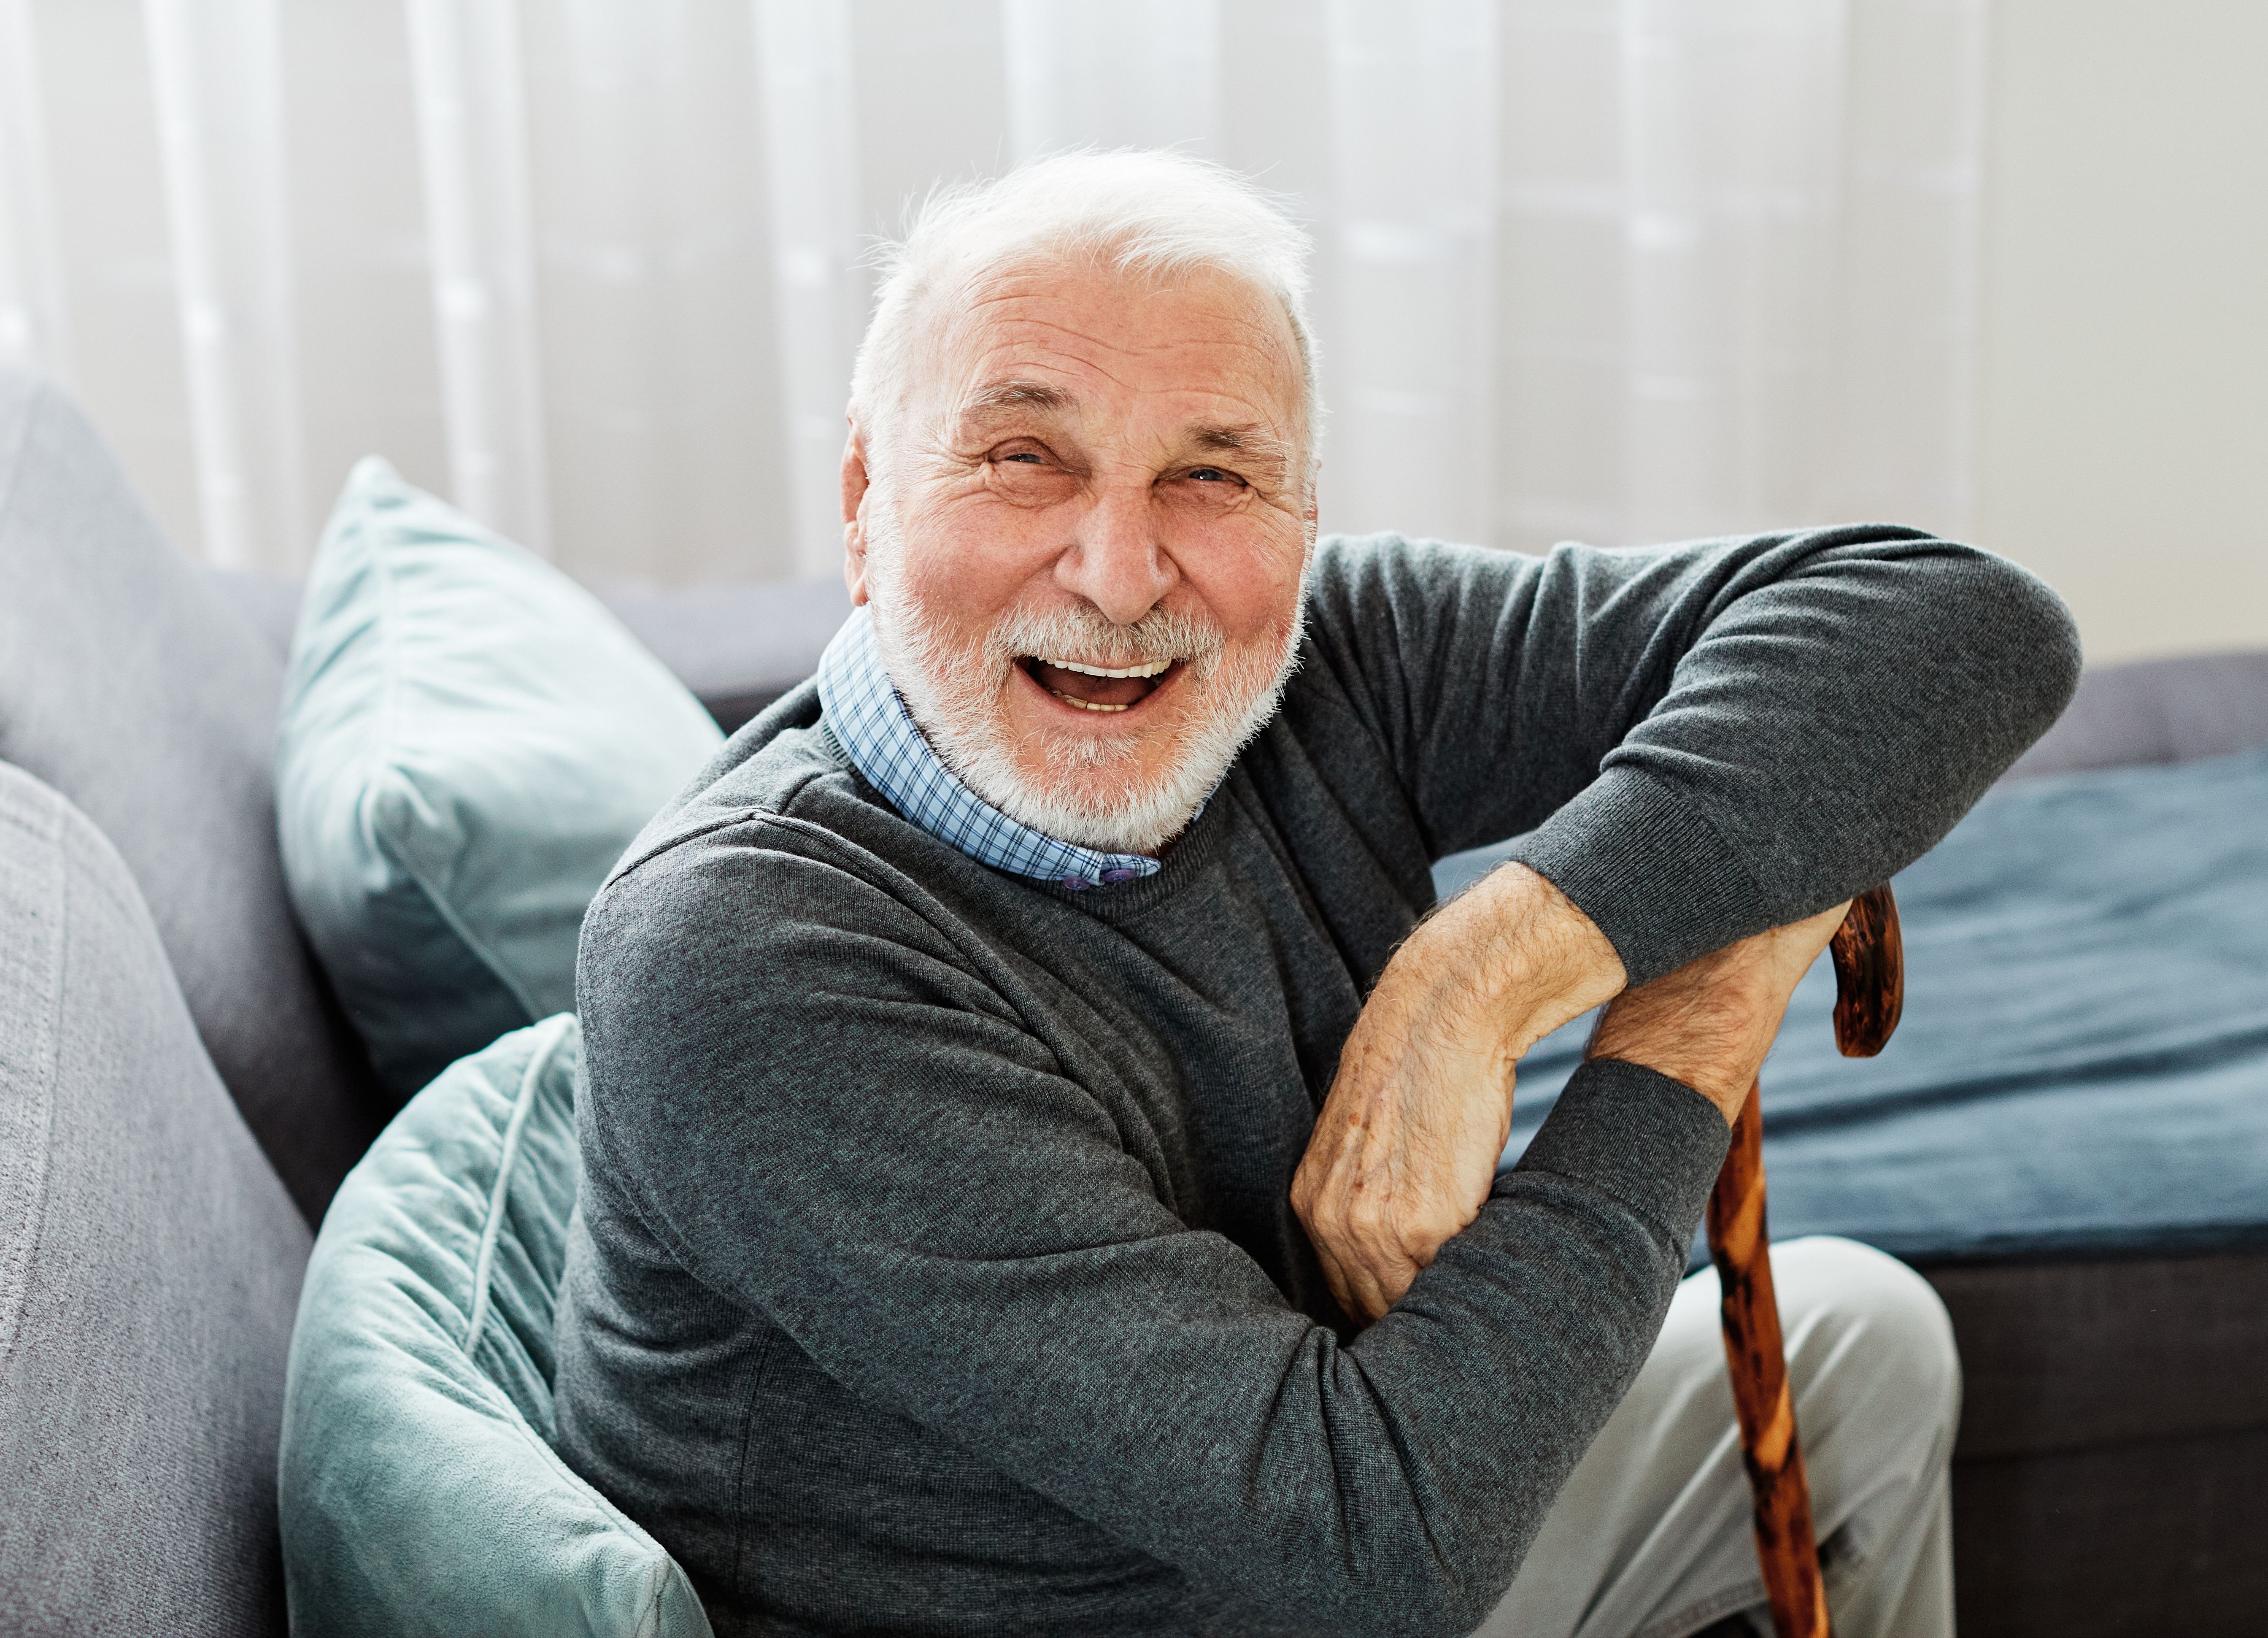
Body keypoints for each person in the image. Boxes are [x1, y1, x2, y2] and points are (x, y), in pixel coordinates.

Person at [551, 149, 2078, 1637]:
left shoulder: (1327, 664)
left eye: (1212, 473)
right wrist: (1696, 1012)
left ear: (1302, 512)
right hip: (1255, 1568)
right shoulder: (747, 949)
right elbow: (1376, 1547)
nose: (1122, 570)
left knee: (1859, 1345)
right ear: (866, 500)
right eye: (1028, 457)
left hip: (1292, 1525)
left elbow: (1959, 619)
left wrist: (1481, 971)